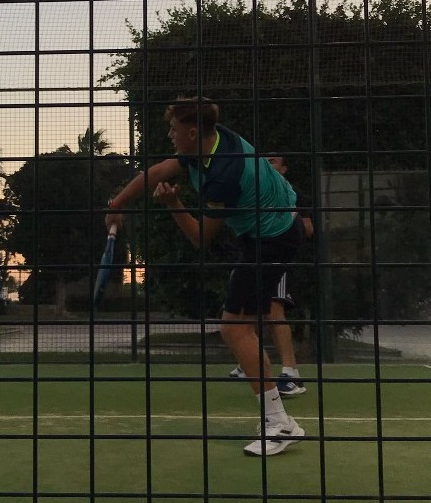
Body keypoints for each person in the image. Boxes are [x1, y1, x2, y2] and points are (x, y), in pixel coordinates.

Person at [105, 98, 305, 457]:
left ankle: (279, 423)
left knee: (234, 329)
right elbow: (156, 172)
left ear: (193, 133)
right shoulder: (210, 141)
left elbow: (200, 237)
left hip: (272, 238)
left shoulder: (223, 175)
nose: (170, 135)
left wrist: (173, 205)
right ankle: (275, 415)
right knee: (241, 326)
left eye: (174, 130)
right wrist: (116, 205)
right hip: (266, 228)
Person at [230, 154, 313, 397]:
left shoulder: (291, 193)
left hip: (277, 256)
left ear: (284, 169)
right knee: (248, 308)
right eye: (265, 160)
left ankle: (291, 373)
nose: (268, 164)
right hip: (255, 255)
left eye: (273, 161)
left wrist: (284, 224)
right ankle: (250, 362)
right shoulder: (257, 190)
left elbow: (307, 229)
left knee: (274, 310)